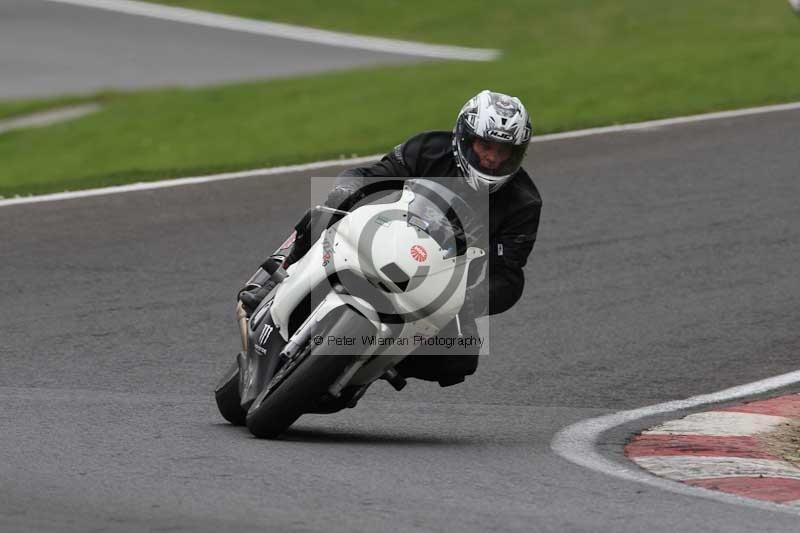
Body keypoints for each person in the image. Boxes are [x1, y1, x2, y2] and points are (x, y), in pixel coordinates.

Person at [239, 89, 542, 387]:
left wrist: (467, 301)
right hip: (382, 233)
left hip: (439, 284)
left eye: (504, 152)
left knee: (459, 359)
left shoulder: (524, 203)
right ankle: (276, 272)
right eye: (485, 146)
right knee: (326, 206)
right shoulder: (428, 148)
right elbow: (371, 174)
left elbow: (508, 276)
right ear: (464, 138)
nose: (492, 158)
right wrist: (347, 190)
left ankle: (377, 363)